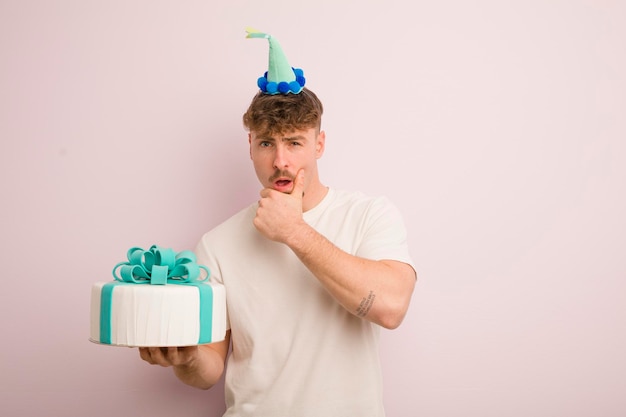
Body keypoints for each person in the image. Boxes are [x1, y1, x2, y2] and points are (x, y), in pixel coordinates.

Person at [139, 29, 416, 417]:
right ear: (250, 146)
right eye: (267, 143)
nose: (281, 161)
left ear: (319, 144)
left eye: (295, 143)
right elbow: (208, 369)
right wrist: (186, 358)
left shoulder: (369, 214)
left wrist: (294, 232)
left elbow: (390, 308)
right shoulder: (217, 244)